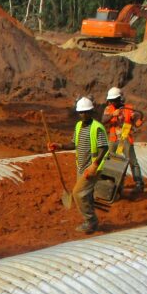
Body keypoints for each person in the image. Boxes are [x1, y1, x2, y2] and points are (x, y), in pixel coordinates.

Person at [48, 96, 110, 233]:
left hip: (92, 167)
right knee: (86, 195)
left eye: (86, 111)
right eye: (81, 112)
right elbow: (74, 144)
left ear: (92, 112)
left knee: (78, 193)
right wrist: (59, 145)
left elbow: (104, 147)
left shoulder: (97, 128)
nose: (84, 114)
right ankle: (90, 219)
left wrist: (94, 166)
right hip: (81, 167)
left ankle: (91, 222)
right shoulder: (79, 126)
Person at [102, 86, 145, 195]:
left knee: (132, 161)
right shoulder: (109, 109)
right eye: (111, 101)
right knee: (110, 160)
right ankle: (110, 182)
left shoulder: (129, 109)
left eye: (114, 100)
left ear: (119, 98)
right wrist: (112, 114)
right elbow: (103, 120)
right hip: (113, 138)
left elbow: (136, 121)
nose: (112, 102)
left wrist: (138, 122)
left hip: (125, 138)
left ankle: (139, 183)